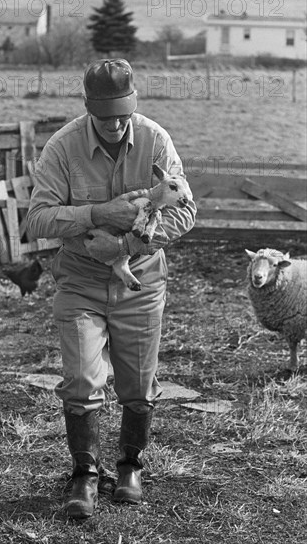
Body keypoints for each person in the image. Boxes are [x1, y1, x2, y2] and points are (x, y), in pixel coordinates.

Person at [27, 58, 197, 519]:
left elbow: (185, 211)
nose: (117, 124)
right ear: (88, 109)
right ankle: (84, 474)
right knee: (83, 380)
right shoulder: (63, 147)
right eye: (106, 116)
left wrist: (124, 241)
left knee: (138, 386)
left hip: (141, 281)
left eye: (124, 112)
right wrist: (97, 215)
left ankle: (129, 467)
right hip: (80, 281)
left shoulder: (156, 140)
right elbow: (37, 218)